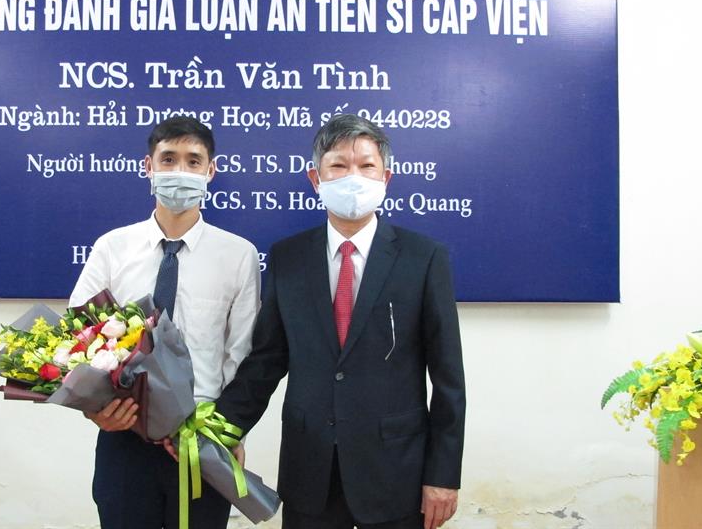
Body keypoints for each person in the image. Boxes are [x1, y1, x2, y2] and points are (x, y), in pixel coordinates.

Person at [215, 114, 466, 529]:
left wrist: (443, 475)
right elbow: (266, 362)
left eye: (366, 166)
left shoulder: (424, 258)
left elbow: (448, 379)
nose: (354, 177)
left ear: (386, 177)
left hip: (395, 473)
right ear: (316, 178)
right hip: (309, 471)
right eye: (338, 165)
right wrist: (219, 431)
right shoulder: (288, 258)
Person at [68, 116, 260, 529]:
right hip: (124, 431)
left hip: (202, 439)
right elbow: (78, 341)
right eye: (168, 159)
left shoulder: (239, 255)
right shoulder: (112, 248)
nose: (180, 171)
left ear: (210, 171)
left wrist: (232, 432)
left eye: (193, 161)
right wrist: (96, 411)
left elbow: (241, 354)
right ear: (148, 167)